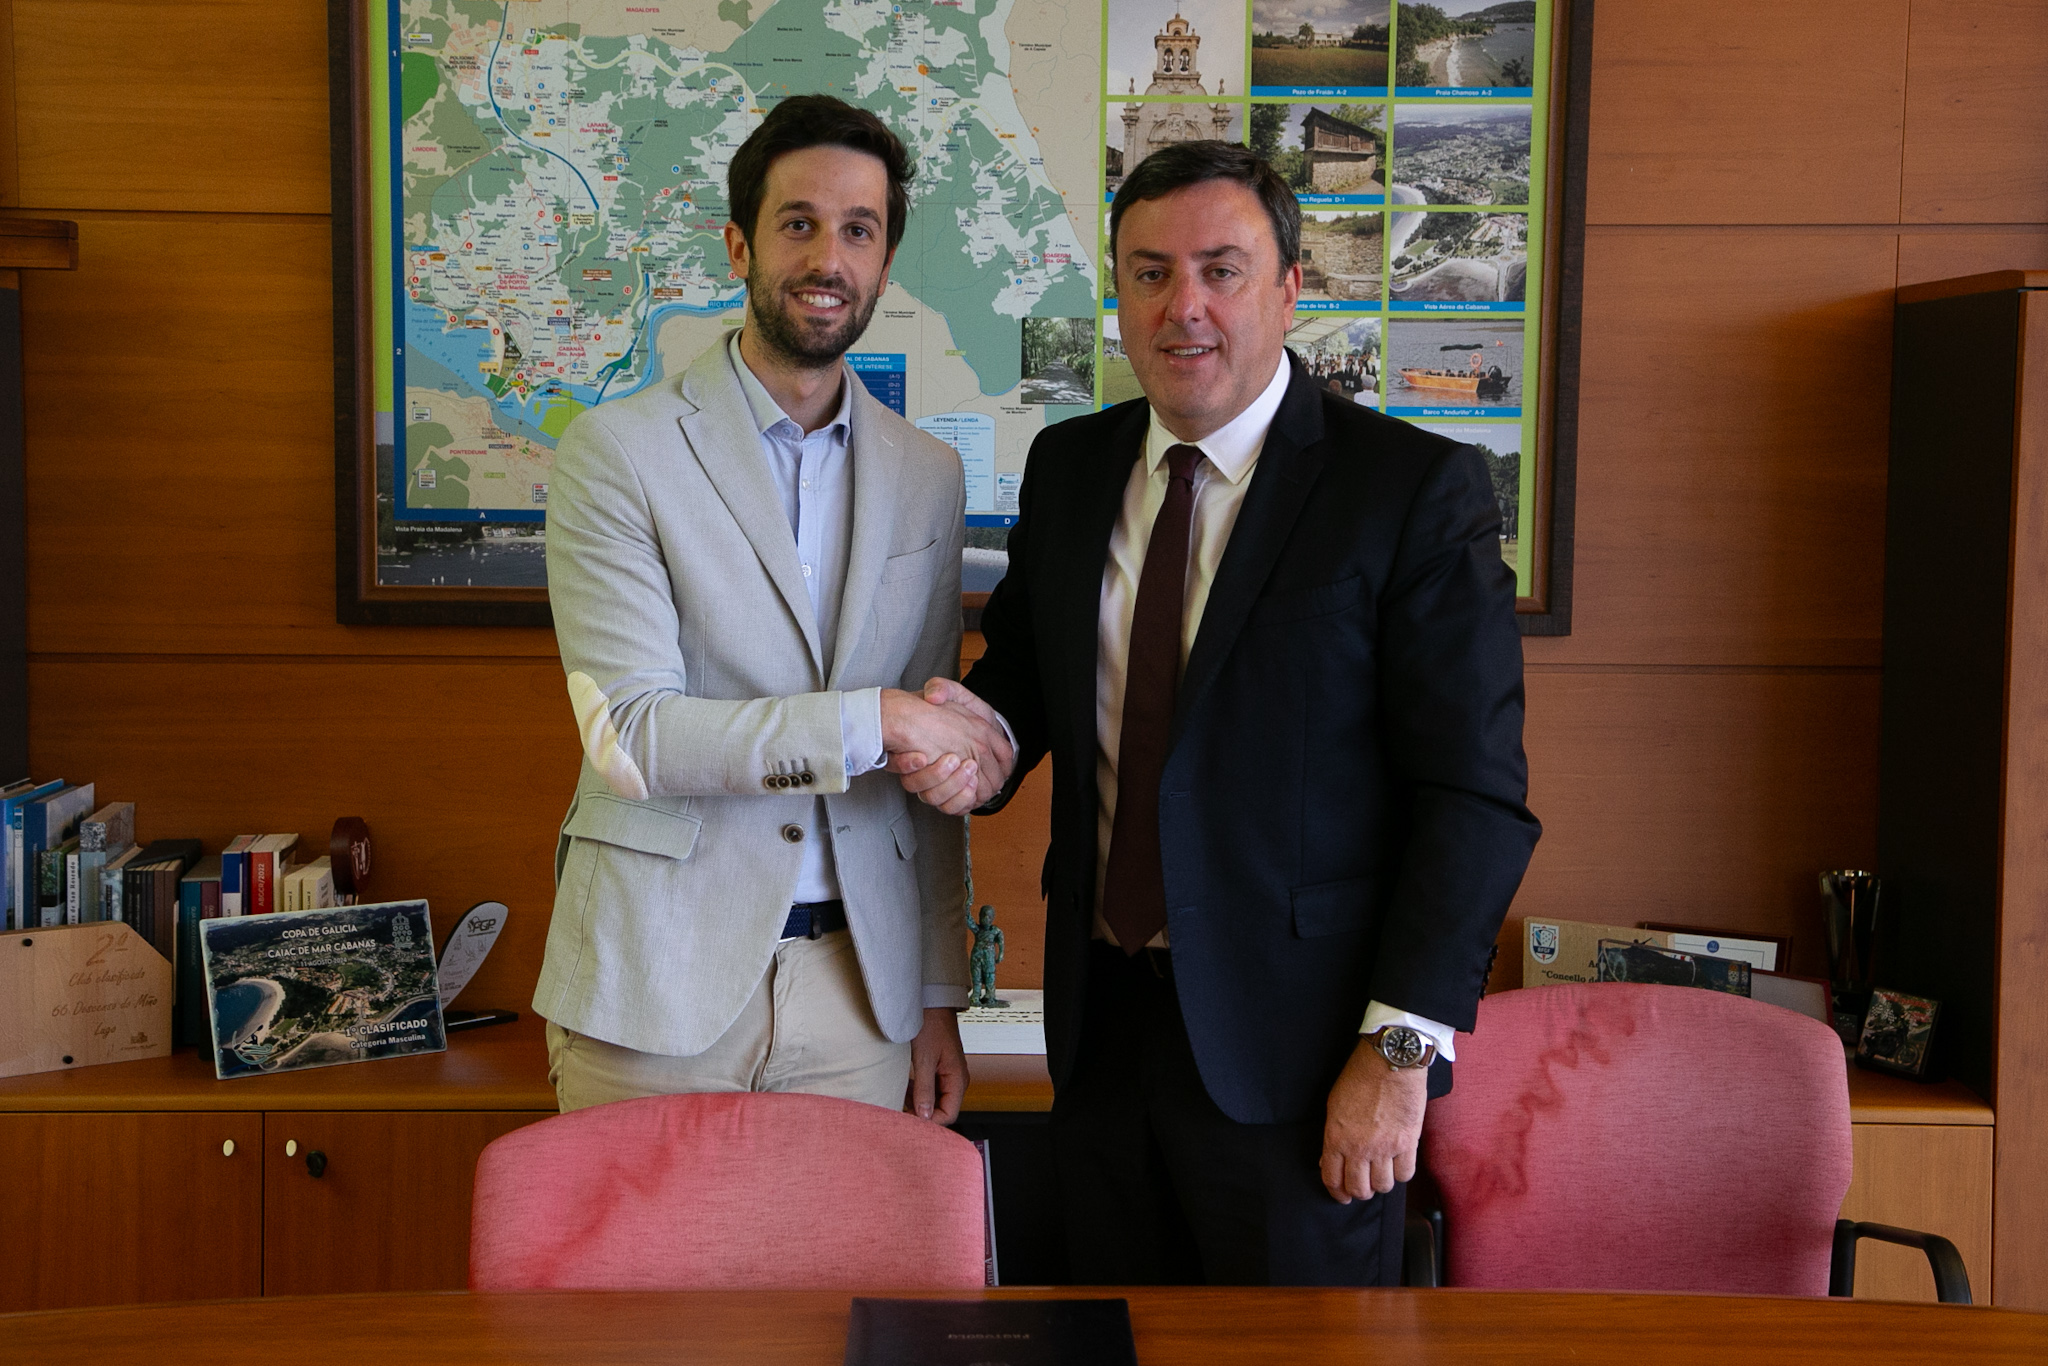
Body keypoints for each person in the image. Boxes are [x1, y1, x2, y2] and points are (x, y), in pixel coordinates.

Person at [903, 140, 1539, 1285]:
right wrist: (968, 741)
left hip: (1305, 1069)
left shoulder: (1405, 492)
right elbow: (1025, 682)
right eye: (1148, 273)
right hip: (1100, 1038)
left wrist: (1396, 1054)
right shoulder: (1070, 467)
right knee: (1105, 1343)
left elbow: (1472, 799)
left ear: (1290, 288)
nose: (1181, 306)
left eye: (1219, 270)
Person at [535, 95, 1012, 1125]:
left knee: (848, 1246)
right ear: (739, 244)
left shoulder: (927, 474)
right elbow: (632, 734)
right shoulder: (616, 453)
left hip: (861, 996)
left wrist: (936, 995)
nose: (827, 258)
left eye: (858, 230)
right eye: (798, 223)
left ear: (885, 263)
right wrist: (873, 719)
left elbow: (923, 775)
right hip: (653, 984)